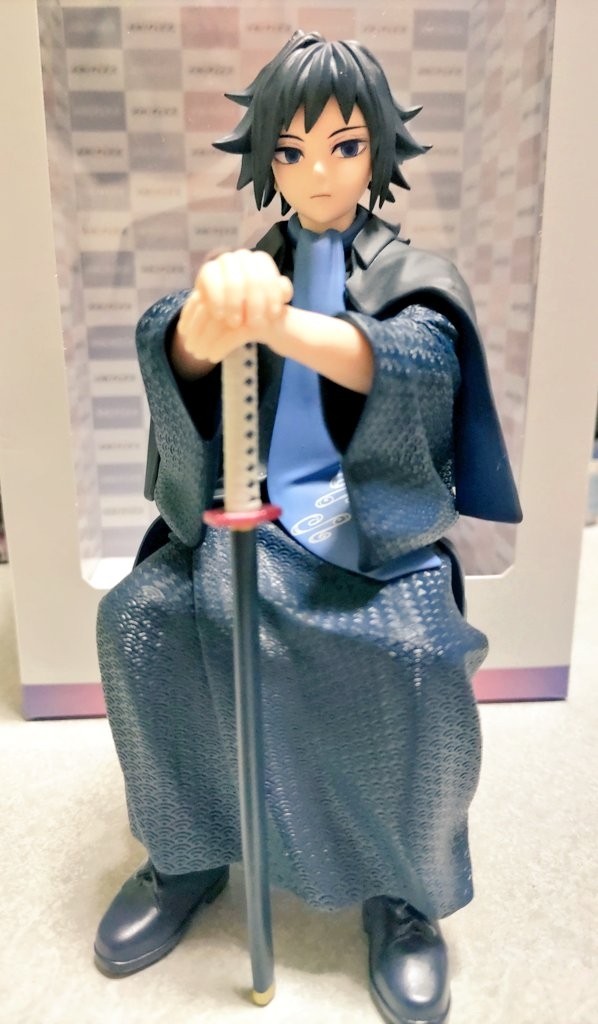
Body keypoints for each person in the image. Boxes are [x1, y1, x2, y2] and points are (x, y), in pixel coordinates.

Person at [94, 31, 521, 1024]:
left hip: (366, 530)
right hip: (249, 512)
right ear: (267, 162)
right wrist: (200, 327)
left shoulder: (411, 271)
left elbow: (413, 362)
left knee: (414, 660)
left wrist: (280, 325)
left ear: (376, 152)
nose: (318, 173)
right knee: (141, 622)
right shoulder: (248, 266)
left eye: (343, 146)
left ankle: (404, 892)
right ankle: (186, 849)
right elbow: (179, 347)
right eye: (291, 152)